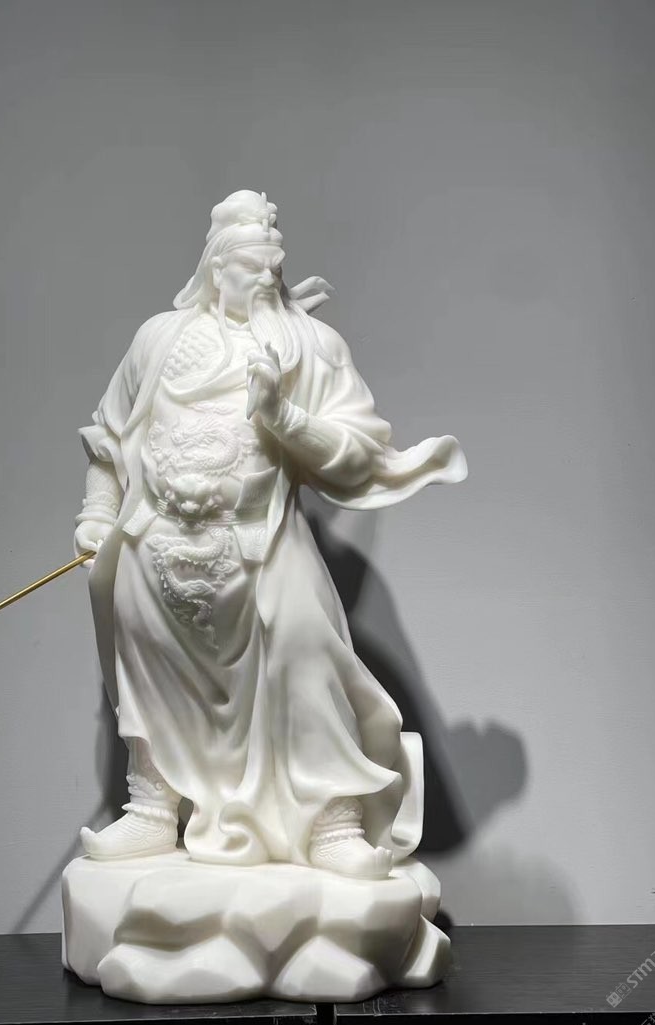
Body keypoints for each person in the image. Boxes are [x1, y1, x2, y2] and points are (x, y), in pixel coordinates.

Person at [75, 191, 466, 879]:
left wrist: (284, 416)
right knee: (150, 668)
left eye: (273, 266)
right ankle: (152, 808)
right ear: (215, 265)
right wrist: (98, 515)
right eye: (250, 264)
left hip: (259, 543)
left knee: (305, 650)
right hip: (154, 541)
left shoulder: (311, 346)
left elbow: (357, 452)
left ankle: (332, 822)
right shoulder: (158, 340)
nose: (265, 277)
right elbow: (109, 438)